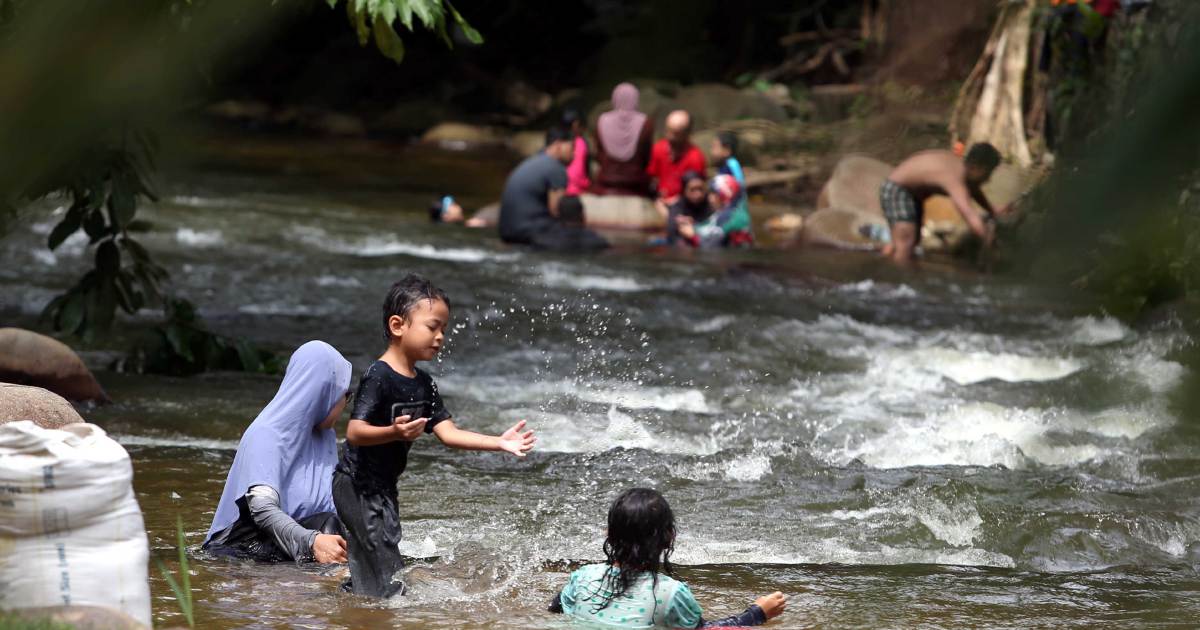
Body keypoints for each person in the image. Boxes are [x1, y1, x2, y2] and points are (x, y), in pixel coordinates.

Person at [333, 274, 538, 598]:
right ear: (398, 325)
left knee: (376, 554)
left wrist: (499, 442)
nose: (440, 336)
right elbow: (354, 432)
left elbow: (448, 433)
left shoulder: (424, 384)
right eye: (432, 327)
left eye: (444, 328)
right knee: (384, 559)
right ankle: (385, 612)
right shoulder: (378, 376)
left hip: (383, 486)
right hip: (354, 483)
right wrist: (394, 431)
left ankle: (351, 605)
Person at [549, 488, 787, 628]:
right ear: (669, 538)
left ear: (609, 535)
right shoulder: (671, 593)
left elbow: (556, 610)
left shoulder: (582, 577)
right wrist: (757, 613)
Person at [204, 341, 352, 565]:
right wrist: (313, 541)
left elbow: (333, 509)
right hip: (239, 548)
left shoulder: (324, 438)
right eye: (344, 393)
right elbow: (262, 510)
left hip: (290, 540)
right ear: (322, 392)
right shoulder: (266, 434)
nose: (345, 403)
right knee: (329, 531)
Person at [879, 143, 1012, 264]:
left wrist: (993, 210)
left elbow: (974, 191)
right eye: (987, 174)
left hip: (912, 195)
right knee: (906, 241)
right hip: (897, 189)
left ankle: (884, 267)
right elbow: (968, 212)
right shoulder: (954, 177)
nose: (987, 179)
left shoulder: (964, 171)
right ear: (975, 167)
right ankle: (898, 281)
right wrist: (987, 236)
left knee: (909, 241)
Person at [498, 126, 609, 250]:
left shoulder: (534, 161)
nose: (575, 153)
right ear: (558, 145)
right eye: (572, 148)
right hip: (529, 232)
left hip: (507, 231)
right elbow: (558, 210)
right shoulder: (556, 168)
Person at [593, 82, 655, 196]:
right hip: (636, 183)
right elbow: (647, 157)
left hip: (607, 181)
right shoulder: (645, 123)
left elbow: (599, 153)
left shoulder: (602, 121)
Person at [647, 110, 707, 218]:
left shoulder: (695, 158)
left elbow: (697, 193)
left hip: (684, 209)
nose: (670, 136)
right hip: (658, 202)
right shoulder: (658, 149)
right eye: (668, 131)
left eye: (675, 133)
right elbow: (650, 177)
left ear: (686, 134)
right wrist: (656, 199)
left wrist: (673, 203)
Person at [676, 174, 753, 249]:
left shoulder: (735, 217)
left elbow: (712, 245)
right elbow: (708, 227)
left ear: (724, 194)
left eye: (714, 193)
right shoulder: (722, 213)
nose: (709, 198)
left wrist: (693, 236)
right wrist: (692, 225)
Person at [662, 171, 711, 246]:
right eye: (692, 190)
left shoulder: (710, 205)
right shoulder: (677, 208)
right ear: (684, 191)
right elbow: (671, 232)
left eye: (700, 189)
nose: (698, 194)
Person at [563, 109, 592, 195]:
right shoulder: (581, 142)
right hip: (578, 190)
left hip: (560, 187)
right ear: (576, 125)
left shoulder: (556, 142)